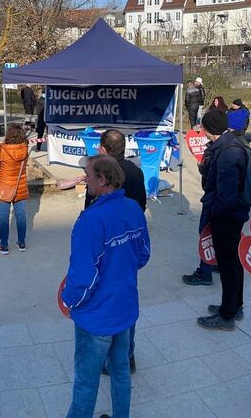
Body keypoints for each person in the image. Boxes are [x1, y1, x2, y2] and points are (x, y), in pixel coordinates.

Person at [63, 156, 150, 418]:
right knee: (121, 372)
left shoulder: (92, 219)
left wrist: (70, 301)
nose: (85, 178)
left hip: (97, 315)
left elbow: (83, 277)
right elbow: (143, 254)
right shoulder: (134, 208)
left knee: (86, 383)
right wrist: (119, 269)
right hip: (124, 308)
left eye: (88, 174)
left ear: (103, 180)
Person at [188, 109, 249, 330]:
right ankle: (234, 305)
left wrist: (215, 217)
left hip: (227, 216)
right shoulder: (230, 142)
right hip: (233, 213)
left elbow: (226, 194)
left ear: (208, 129)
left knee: (228, 265)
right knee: (233, 263)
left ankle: (226, 316)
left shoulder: (227, 153)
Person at [0, 123, 30, 254]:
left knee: (3, 217)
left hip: (5, 187)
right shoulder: (25, 149)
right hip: (20, 186)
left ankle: (3, 245)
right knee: (21, 216)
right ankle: (21, 243)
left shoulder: (3, 150)